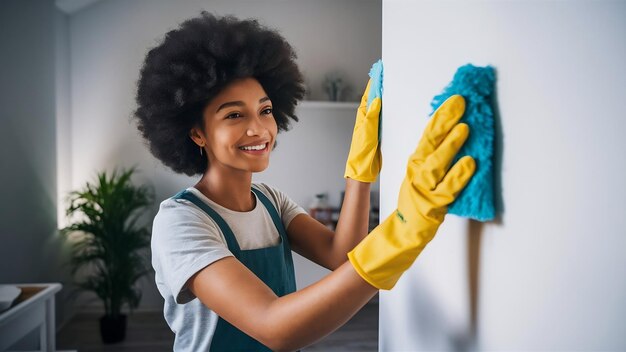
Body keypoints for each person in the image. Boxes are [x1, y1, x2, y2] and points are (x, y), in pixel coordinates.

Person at [134, 12, 475, 352]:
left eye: (265, 110)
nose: (259, 129)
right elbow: (273, 326)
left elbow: (341, 256)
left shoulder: (271, 201)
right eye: (234, 115)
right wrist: (399, 233)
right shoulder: (180, 221)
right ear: (197, 132)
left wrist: (359, 171)